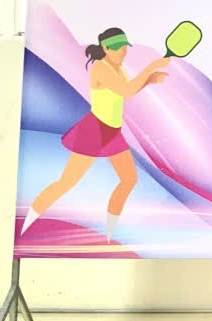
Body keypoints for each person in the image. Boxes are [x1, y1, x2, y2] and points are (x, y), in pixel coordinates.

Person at [20, 27, 170, 242]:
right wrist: (151, 67)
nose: (122, 51)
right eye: (116, 47)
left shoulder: (118, 69)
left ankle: (109, 235)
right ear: (105, 48)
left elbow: (124, 90)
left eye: (124, 47)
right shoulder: (101, 68)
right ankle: (28, 223)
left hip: (112, 131)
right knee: (66, 183)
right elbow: (125, 90)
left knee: (129, 179)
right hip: (95, 130)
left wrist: (150, 79)